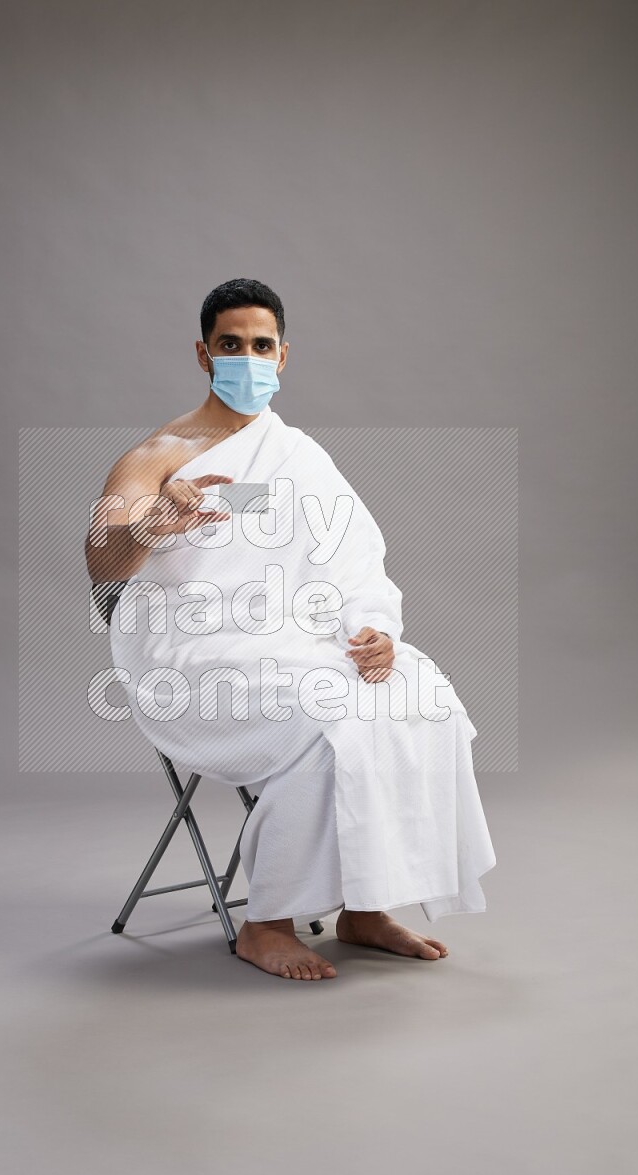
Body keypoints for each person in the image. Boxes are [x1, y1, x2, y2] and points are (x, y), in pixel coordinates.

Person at [85, 278, 496, 982]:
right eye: (230, 345)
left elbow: (354, 557)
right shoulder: (159, 456)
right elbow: (102, 556)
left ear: (283, 356)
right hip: (190, 651)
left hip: (292, 635)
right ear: (203, 353)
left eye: (260, 345)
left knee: (420, 695)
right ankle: (265, 921)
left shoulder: (296, 455)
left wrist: (374, 631)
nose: (246, 358)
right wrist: (152, 525)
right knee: (326, 713)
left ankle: (364, 909)